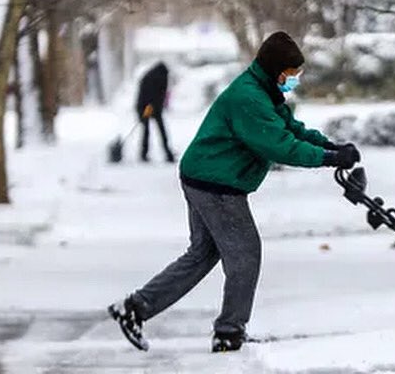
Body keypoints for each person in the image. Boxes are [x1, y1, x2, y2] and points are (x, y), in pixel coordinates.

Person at [108, 32, 362, 353]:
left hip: (203, 175)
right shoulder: (249, 99)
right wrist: (328, 159)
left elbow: (291, 130)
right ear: (276, 70)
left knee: (202, 254)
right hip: (216, 184)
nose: (295, 80)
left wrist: (329, 145)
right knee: (245, 254)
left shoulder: (264, 91)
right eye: (291, 75)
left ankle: (135, 308)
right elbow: (280, 145)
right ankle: (229, 332)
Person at [136, 62, 174, 163]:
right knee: (151, 131)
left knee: (151, 131)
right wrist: (147, 109)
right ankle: (146, 154)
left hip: (150, 107)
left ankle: (145, 154)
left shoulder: (152, 76)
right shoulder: (156, 78)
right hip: (146, 107)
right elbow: (150, 95)